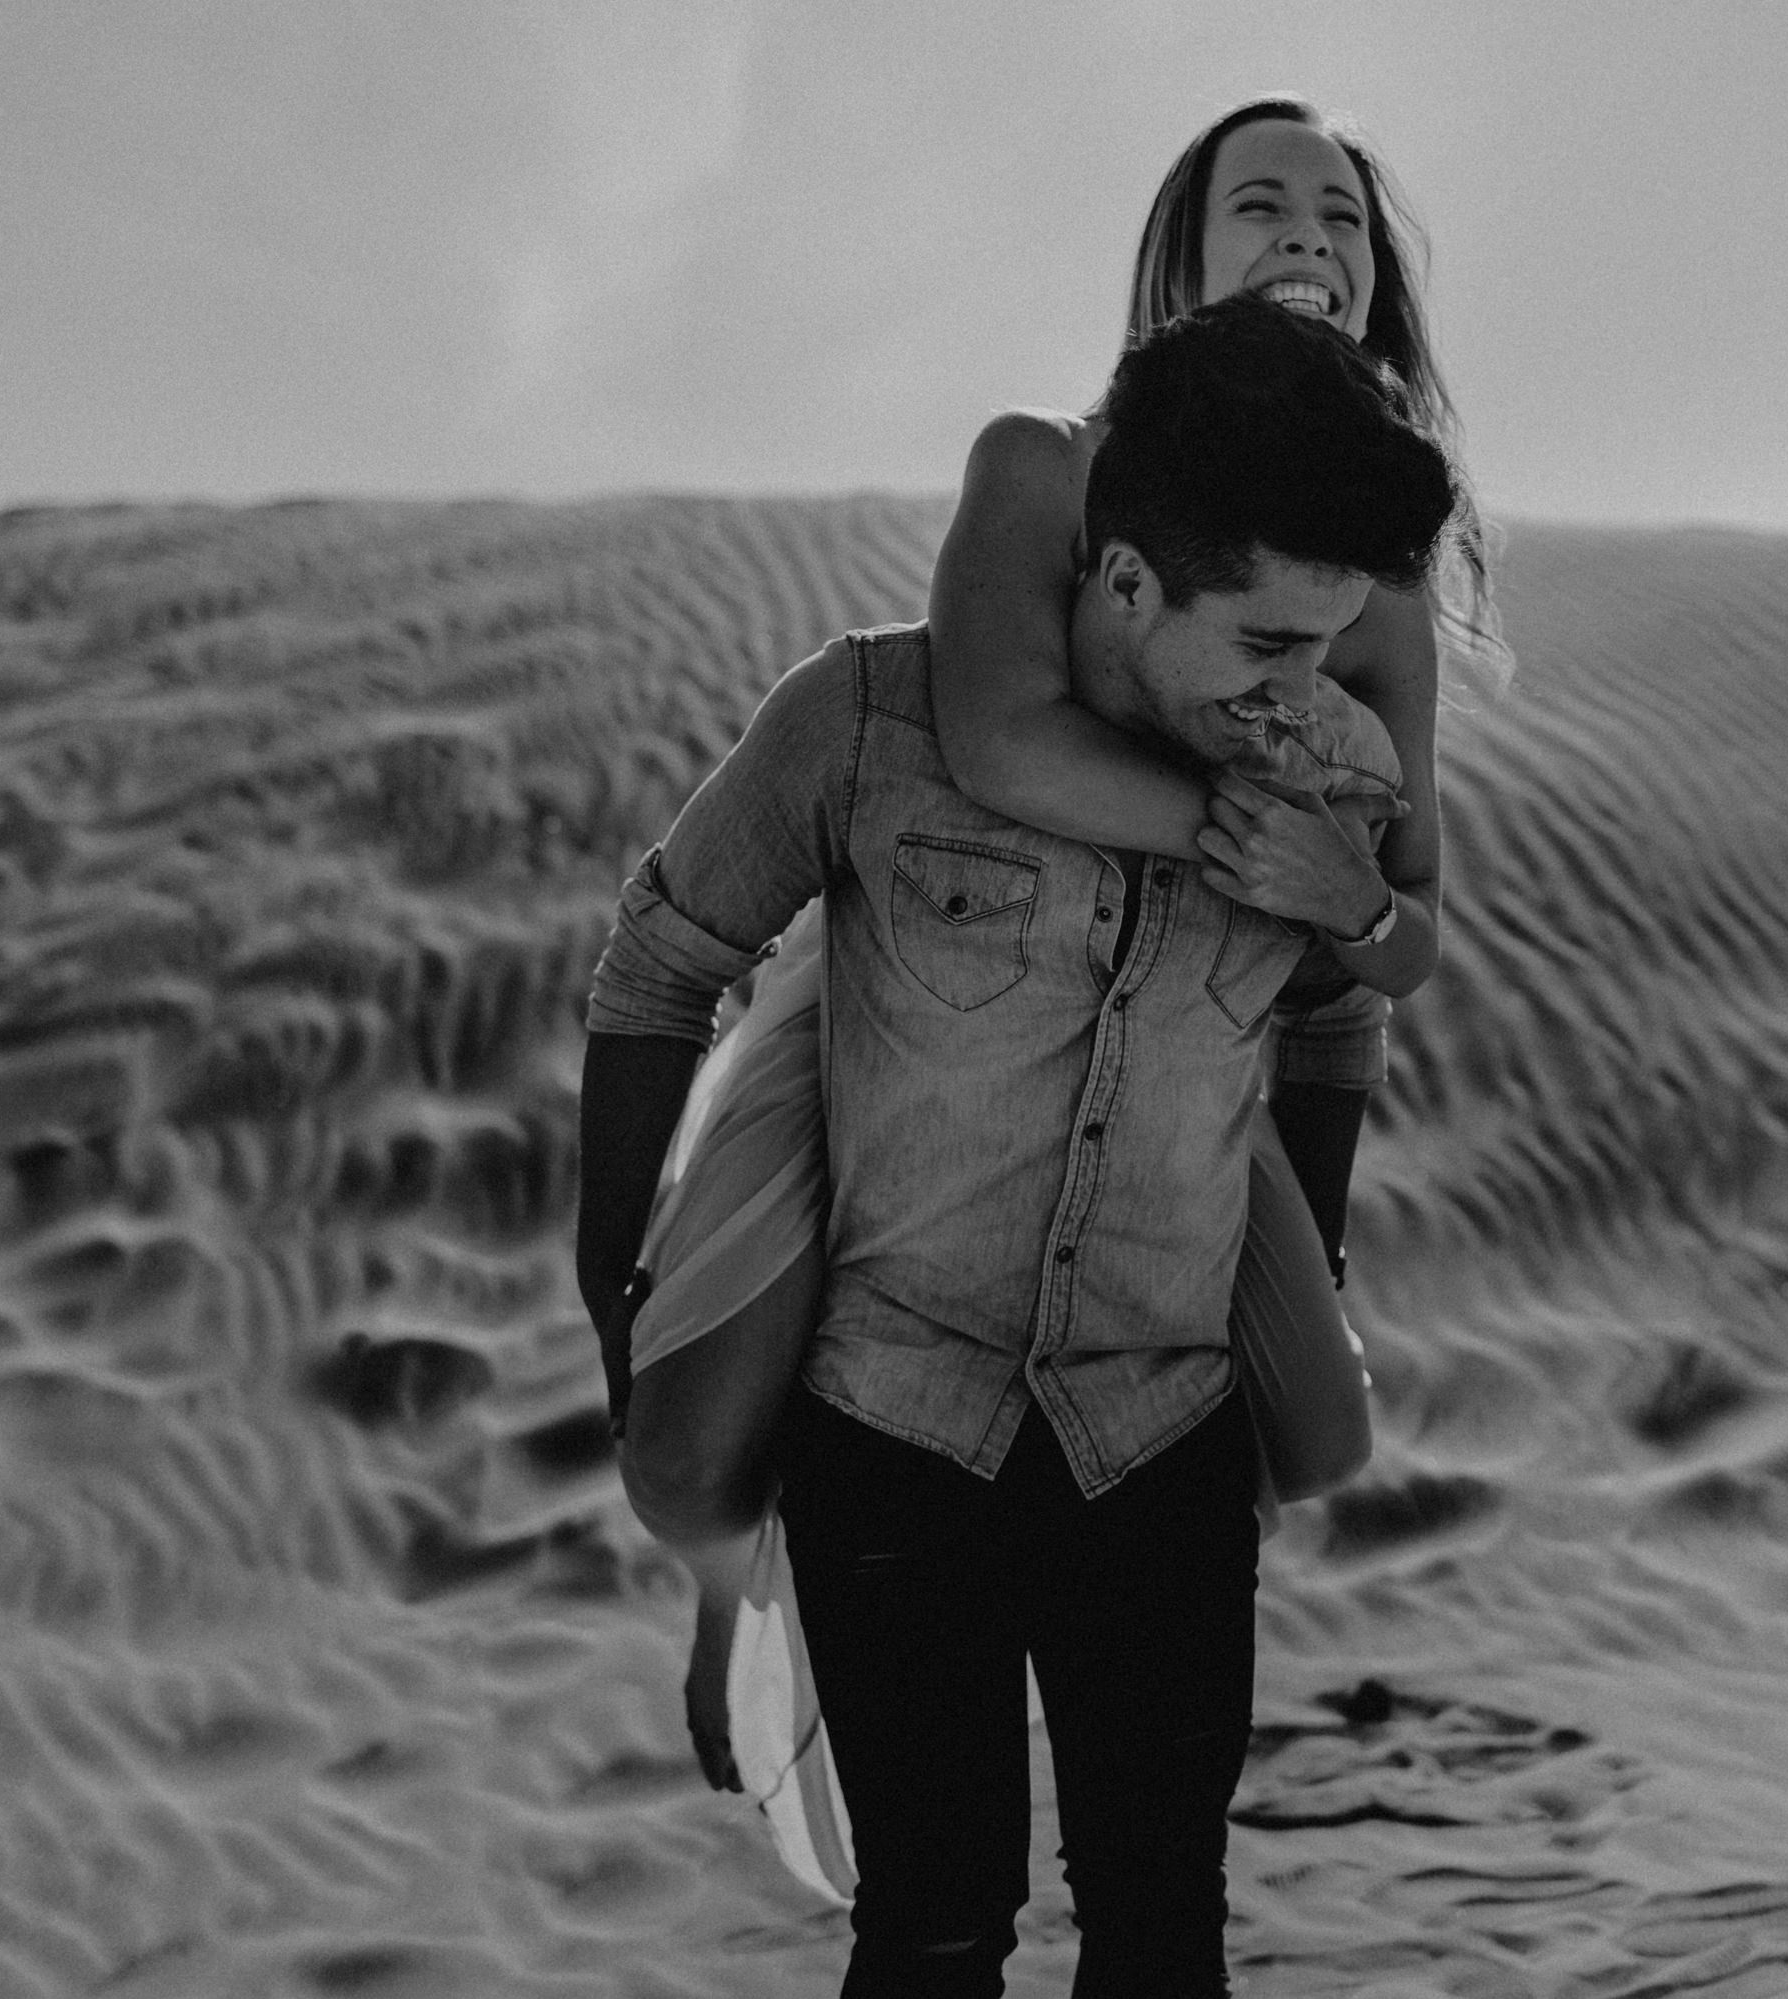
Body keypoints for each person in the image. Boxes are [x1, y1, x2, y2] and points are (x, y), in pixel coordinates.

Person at [602, 94, 1503, 1818]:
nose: (1313, 240)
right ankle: (738, 1593)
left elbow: (1396, 929)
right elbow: (1003, 741)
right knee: (693, 1441)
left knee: (1320, 1438)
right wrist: (1261, 847)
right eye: (1265, 206)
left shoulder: (1375, 582)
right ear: (1178, 257)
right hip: (936, 997)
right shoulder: (1049, 468)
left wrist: (1341, 902)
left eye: (1345, 219)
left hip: (1196, 1048)